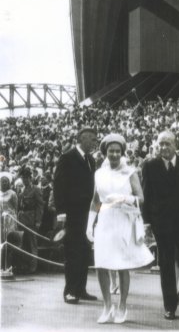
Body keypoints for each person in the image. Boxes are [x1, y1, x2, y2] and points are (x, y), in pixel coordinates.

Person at [88, 133, 153, 324]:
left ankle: (122, 306)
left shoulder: (130, 172)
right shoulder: (99, 173)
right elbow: (95, 202)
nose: (114, 154)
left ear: (122, 152)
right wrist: (89, 225)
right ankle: (107, 307)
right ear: (105, 153)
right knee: (101, 264)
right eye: (111, 151)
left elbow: (141, 197)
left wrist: (125, 198)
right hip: (105, 220)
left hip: (124, 220)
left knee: (122, 265)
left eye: (117, 151)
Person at [142, 130, 179, 321]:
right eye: (160, 144)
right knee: (166, 266)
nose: (164, 147)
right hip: (162, 224)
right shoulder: (150, 166)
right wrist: (147, 222)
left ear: (175, 145)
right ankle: (170, 306)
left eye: (167, 143)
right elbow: (146, 195)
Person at [53, 127, 97, 304]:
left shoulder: (91, 160)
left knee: (85, 252)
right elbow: (59, 185)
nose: (95, 142)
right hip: (72, 213)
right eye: (93, 139)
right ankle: (70, 291)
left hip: (87, 214)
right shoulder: (67, 157)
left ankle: (81, 289)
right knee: (72, 253)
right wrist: (61, 213)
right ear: (83, 139)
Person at [17, 167, 44, 274]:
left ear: (30, 178)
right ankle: (23, 265)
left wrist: (38, 221)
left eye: (26, 178)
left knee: (33, 243)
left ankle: (33, 266)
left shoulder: (36, 189)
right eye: (23, 178)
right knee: (22, 242)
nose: (24, 180)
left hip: (31, 218)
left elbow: (40, 206)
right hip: (21, 219)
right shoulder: (21, 190)